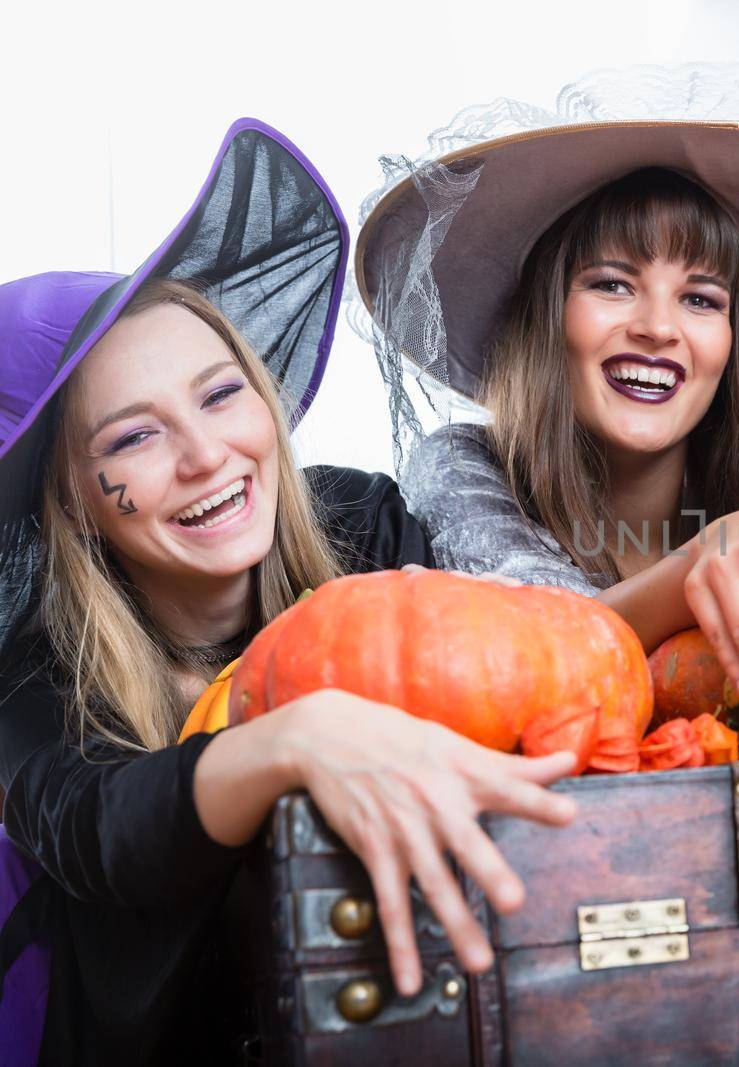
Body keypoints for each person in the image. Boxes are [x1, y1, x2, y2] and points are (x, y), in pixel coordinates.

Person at [0, 121, 575, 1064]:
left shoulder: (366, 523)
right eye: (132, 439)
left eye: (221, 395)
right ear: (72, 497)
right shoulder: (32, 676)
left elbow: (515, 667)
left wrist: (701, 563)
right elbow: (108, 834)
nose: (205, 456)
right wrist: (292, 738)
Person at [359, 68, 739, 724]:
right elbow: (545, 648)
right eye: (612, 285)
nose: (658, 328)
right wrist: (705, 561)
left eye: (700, 299)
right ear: (546, 316)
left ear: (733, 342)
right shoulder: (463, 470)